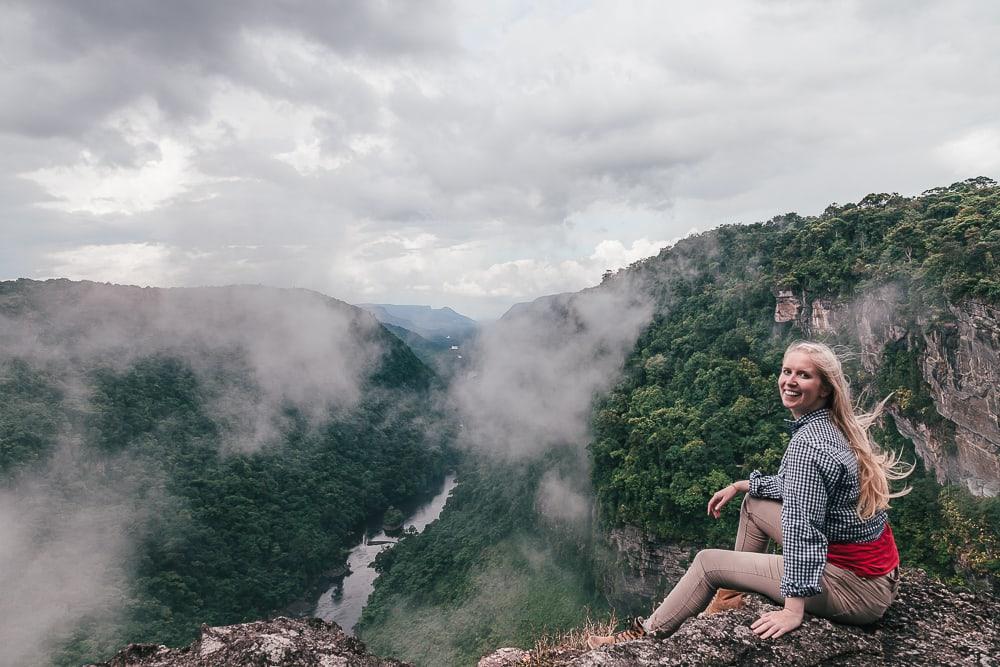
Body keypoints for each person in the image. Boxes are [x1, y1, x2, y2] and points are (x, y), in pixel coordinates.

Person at [587, 341, 912, 648]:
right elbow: (804, 491)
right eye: (787, 371)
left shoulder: (807, 446)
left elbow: (804, 531)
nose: (790, 381)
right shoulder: (831, 427)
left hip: (854, 589)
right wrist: (744, 485)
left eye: (804, 375)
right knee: (754, 504)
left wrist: (792, 610)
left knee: (707, 563)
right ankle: (729, 600)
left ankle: (642, 638)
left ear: (824, 388)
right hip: (875, 576)